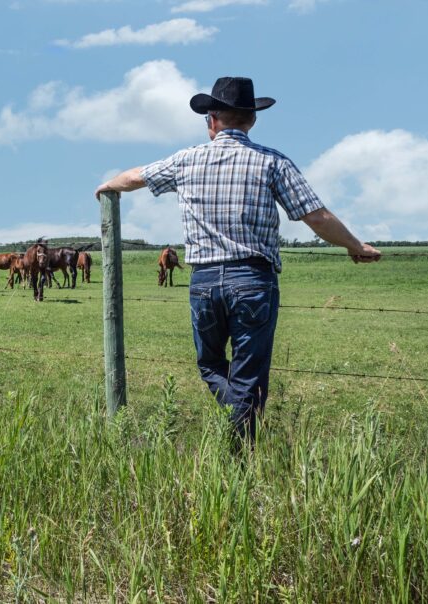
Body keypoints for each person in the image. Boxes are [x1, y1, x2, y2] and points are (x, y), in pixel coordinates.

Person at [95, 76, 381, 448]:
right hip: (252, 279)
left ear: (211, 119)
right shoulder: (272, 162)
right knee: (249, 375)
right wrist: (356, 245)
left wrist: (107, 188)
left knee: (210, 365)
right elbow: (317, 217)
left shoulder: (186, 160)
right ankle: (239, 449)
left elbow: (135, 177)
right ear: (252, 119)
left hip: (204, 280)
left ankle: (236, 442)